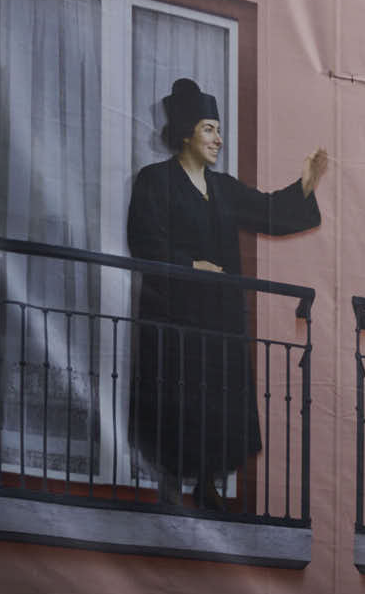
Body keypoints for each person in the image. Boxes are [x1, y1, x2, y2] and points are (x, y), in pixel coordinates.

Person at [126, 78, 328, 510]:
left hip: (219, 319)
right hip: (173, 314)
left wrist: (306, 184)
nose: (219, 139)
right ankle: (167, 481)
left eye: (218, 130)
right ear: (185, 134)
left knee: (216, 398)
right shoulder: (154, 181)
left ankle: (208, 483)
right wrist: (188, 266)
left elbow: (269, 211)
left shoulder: (224, 189)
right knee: (175, 395)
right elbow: (144, 240)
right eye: (208, 129)